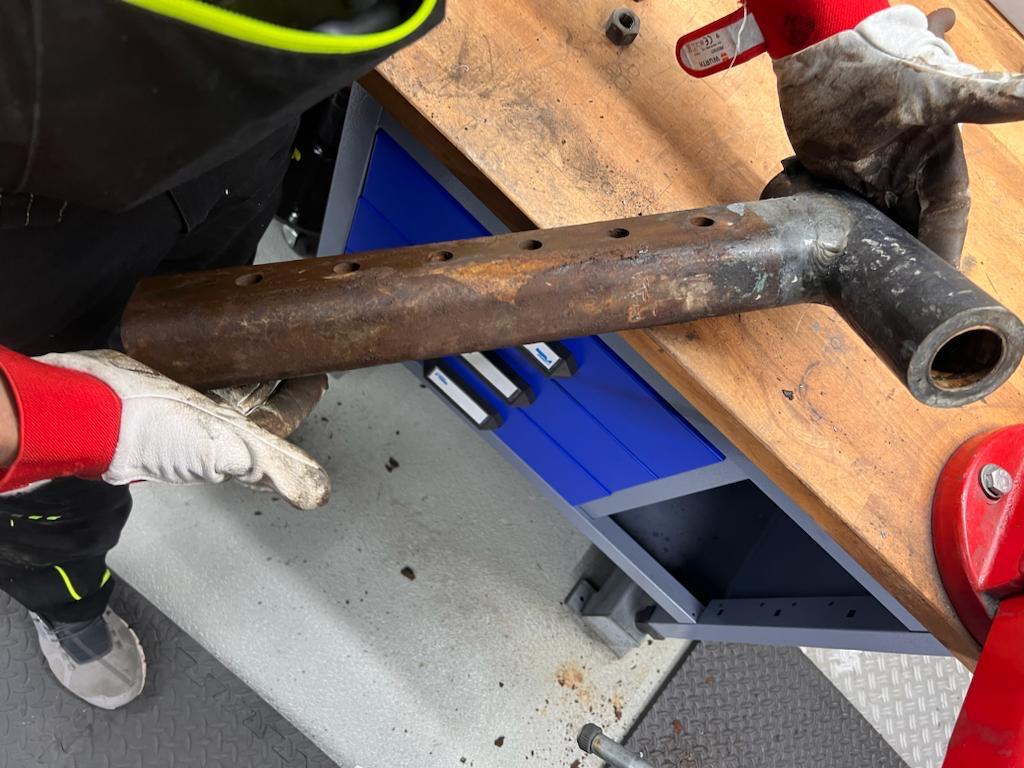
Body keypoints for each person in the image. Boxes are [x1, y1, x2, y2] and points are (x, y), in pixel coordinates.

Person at [0, 0, 1020, 711]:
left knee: (205, 286)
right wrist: (53, 418)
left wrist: (823, 22)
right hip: (22, 229)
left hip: (224, 109)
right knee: (55, 494)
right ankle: (65, 594)